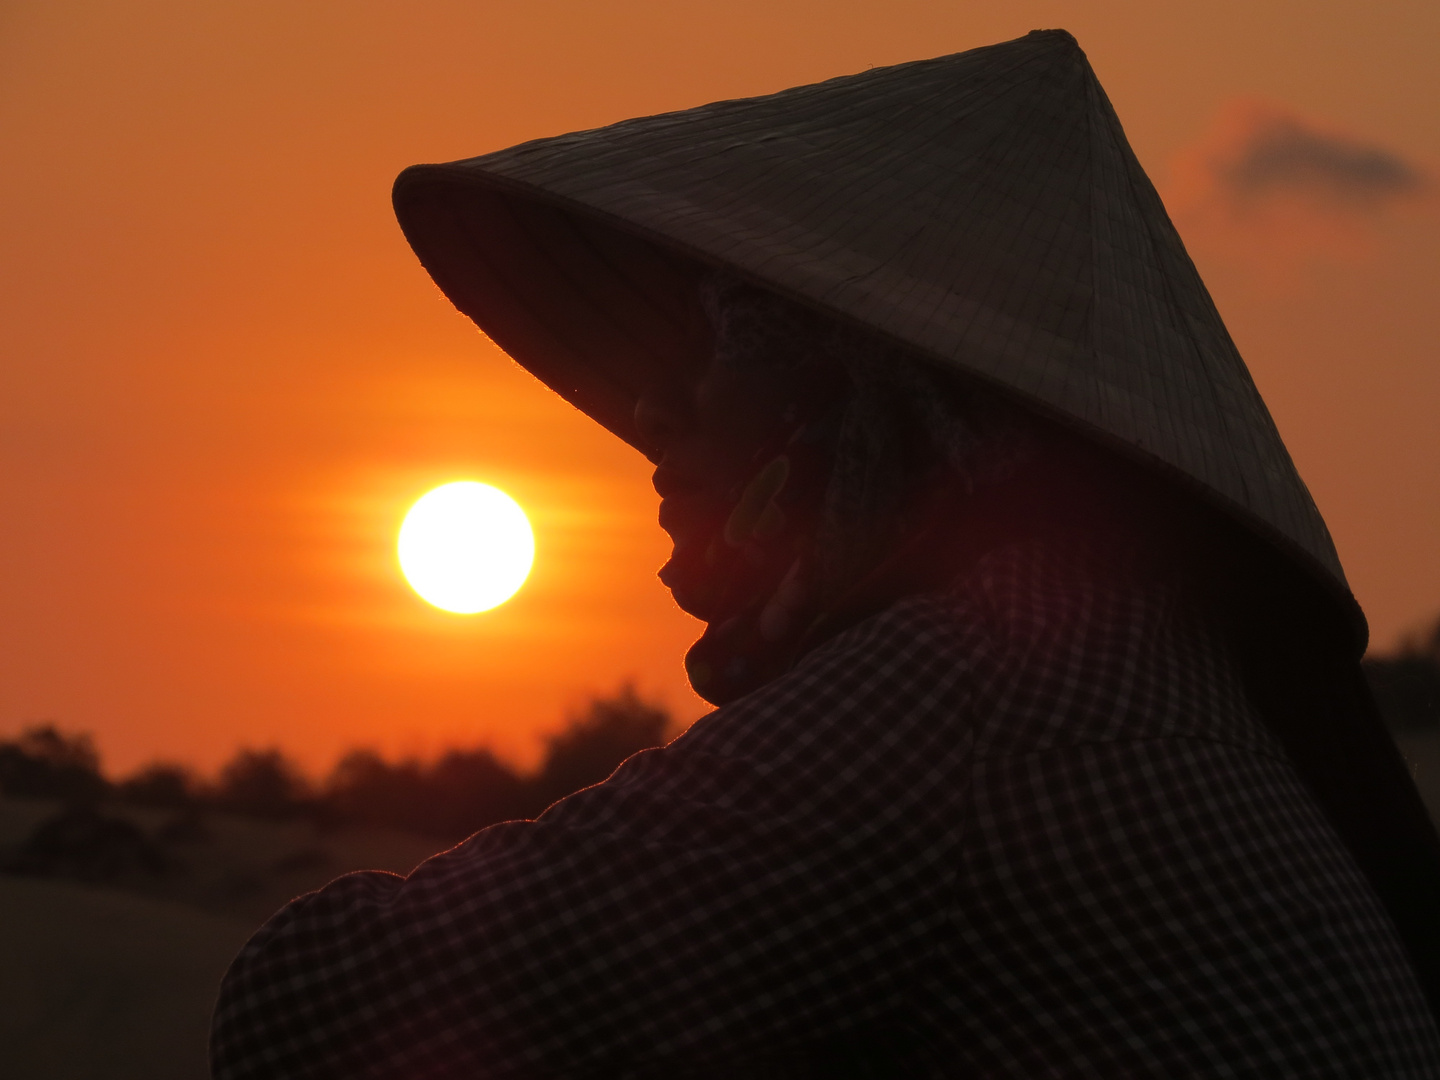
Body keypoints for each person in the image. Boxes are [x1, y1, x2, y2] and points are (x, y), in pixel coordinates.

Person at [211, 30, 1440, 1077]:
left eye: (718, 359)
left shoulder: (993, 668)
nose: (656, 423)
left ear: (858, 406)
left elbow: (318, 1015)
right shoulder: (1150, 650)